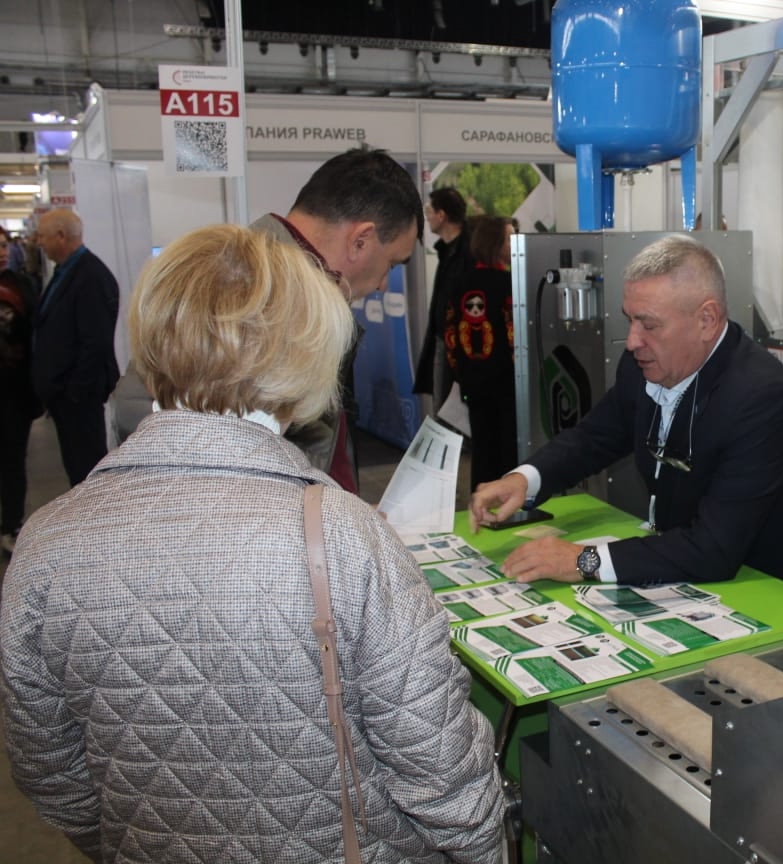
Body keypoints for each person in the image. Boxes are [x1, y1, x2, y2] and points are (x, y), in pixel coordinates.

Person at [0, 225, 503, 863]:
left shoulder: (44, 543)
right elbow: (442, 774)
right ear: (304, 352)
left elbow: (54, 775)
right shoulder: (345, 536)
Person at [469, 234, 783, 606]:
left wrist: (583, 561)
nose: (632, 341)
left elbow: (712, 548)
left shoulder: (762, 398)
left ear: (706, 320)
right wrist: (526, 479)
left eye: (649, 325)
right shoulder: (644, 364)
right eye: (630, 320)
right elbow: (596, 436)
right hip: (692, 577)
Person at [249, 147, 425, 491]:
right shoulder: (261, 297)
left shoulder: (293, 291)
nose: (383, 285)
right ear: (361, 240)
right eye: (390, 264)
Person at [32, 207, 119, 486]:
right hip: (66, 397)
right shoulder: (67, 272)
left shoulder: (90, 277)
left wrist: (74, 392)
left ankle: (95, 513)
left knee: (86, 469)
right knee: (76, 465)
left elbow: (96, 342)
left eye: (42, 236)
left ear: (61, 236)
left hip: (79, 398)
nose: (39, 242)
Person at [445, 216, 517, 489]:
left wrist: (460, 374)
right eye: (509, 237)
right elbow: (514, 337)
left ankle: (482, 500)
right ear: (494, 243)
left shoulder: (460, 282)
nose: (514, 243)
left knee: (483, 452)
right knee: (508, 451)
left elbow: (450, 335)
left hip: (473, 383)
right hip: (507, 383)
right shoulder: (508, 284)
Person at [414, 186, 474, 412]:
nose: (427, 217)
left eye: (429, 212)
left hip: (461, 345)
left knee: (454, 412)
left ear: (442, 215)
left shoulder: (468, 252)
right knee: (443, 408)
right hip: (444, 339)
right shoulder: (447, 250)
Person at [0, 240, 39, 552]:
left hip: (14, 389)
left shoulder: (20, 284)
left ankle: (11, 524)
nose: (2, 252)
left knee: (13, 459)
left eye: (3, 246)